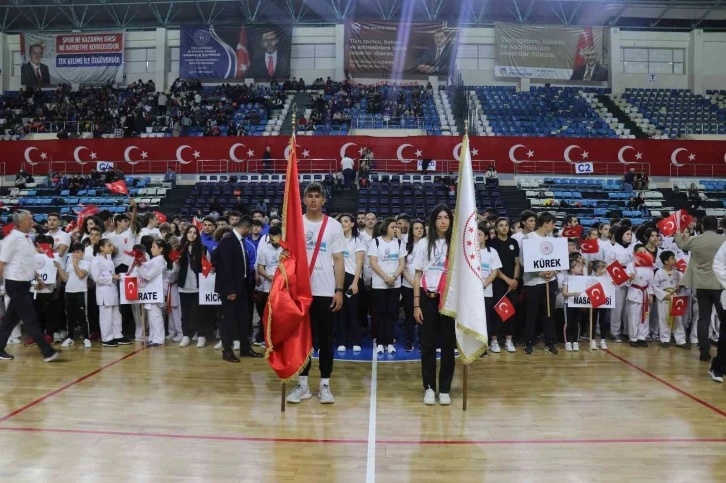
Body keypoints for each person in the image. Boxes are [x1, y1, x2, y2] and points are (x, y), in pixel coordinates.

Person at [286, 183, 345, 405]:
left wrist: (339, 290)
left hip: (325, 290)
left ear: (323, 200)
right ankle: (302, 385)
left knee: (327, 339)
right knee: (302, 340)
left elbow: (339, 260)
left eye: (317, 196)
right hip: (301, 292)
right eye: (309, 196)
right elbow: (288, 259)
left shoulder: (334, 226)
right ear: (303, 199)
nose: (313, 200)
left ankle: (325, 384)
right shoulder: (296, 225)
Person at [0, 211, 61, 362]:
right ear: (20, 223)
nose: (32, 221)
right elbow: (1, 263)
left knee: (10, 320)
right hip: (15, 284)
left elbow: (28, 262)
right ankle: (47, 351)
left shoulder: (27, 238)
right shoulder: (12, 239)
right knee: (30, 317)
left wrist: (38, 278)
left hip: (24, 284)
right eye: (29, 219)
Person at [414, 204, 454, 406]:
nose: (443, 221)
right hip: (427, 299)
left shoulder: (456, 244)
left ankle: (445, 388)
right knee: (428, 345)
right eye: (439, 217)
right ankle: (429, 387)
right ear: (433, 220)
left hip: (449, 300)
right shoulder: (423, 244)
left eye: (447, 217)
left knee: (448, 345)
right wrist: (416, 305)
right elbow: (418, 274)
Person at [675, 216, 726, 362]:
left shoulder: (696, 240)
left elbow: (681, 244)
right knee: (723, 319)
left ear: (702, 226)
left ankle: (704, 351)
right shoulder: (723, 240)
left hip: (702, 285)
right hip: (720, 285)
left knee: (703, 319)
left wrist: (677, 231)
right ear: (717, 226)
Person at [213, 215, 262, 362]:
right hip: (231, 289)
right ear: (245, 228)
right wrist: (230, 290)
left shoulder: (241, 241)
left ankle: (245, 349)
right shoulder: (228, 241)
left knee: (244, 319)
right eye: (250, 228)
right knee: (229, 321)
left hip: (242, 287)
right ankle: (227, 351)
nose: (251, 231)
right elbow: (225, 268)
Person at [520, 211, 559, 355]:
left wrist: (553, 271)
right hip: (533, 282)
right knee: (531, 313)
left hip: (550, 281)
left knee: (549, 313)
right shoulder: (528, 238)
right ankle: (528, 342)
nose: (554, 226)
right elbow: (523, 260)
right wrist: (540, 272)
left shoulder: (553, 239)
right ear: (545, 223)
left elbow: (558, 260)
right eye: (552, 223)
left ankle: (549, 342)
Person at [369, 217, 406, 355]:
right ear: (386, 228)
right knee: (380, 314)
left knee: (392, 314)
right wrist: (385, 277)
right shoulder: (375, 242)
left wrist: (394, 277)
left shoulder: (400, 243)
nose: (396, 228)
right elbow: (373, 262)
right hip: (379, 284)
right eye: (393, 226)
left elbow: (402, 263)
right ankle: (380, 342)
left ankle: (390, 342)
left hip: (394, 284)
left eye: (397, 226)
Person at [176, 225, 212, 348]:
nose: (192, 234)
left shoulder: (203, 249)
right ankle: (186, 335)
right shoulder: (180, 249)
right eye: (190, 232)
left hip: (199, 286)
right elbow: (174, 269)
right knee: (185, 313)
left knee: (199, 312)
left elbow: (208, 266)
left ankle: (201, 336)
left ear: (198, 235)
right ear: (186, 234)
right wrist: (175, 264)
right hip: (183, 286)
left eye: (194, 233)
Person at [488, 217, 519, 353]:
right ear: (496, 228)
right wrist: (507, 280)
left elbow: (517, 263)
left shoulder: (513, 242)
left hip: (513, 283)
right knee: (497, 312)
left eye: (506, 225)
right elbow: (494, 267)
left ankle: (508, 340)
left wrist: (515, 279)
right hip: (498, 282)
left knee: (510, 312)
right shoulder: (493, 243)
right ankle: (494, 341)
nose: (504, 228)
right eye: (501, 225)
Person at [337, 214, 365, 353]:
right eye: (341, 221)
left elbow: (359, 264)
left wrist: (355, 283)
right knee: (341, 310)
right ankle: (342, 341)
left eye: (346, 221)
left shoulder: (358, 241)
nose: (343, 223)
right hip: (338, 278)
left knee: (353, 311)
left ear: (353, 224)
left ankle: (355, 340)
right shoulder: (336, 240)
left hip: (352, 279)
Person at [136, 239, 172, 348]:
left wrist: (139, 266)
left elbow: (148, 275)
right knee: (152, 316)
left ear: (161, 249)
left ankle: (159, 339)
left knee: (156, 316)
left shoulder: (160, 261)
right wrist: (139, 261)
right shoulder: (155, 260)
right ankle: (153, 337)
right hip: (152, 291)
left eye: (153, 247)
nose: (151, 249)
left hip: (157, 291)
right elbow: (146, 265)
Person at [91, 238, 125, 347]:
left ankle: (117, 335)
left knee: (116, 315)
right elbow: (96, 278)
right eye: (109, 245)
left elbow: (111, 274)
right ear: (101, 248)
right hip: (104, 292)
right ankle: (106, 338)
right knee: (106, 317)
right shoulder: (96, 261)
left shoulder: (109, 260)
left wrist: (115, 277)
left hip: (112, 290)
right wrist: (112, 277)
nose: (111, 247)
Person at [57, 243, 91, 349]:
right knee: (70, 316)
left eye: (78, 252)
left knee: (82, 316)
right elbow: (65, 279)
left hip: (80, 291)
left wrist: (76, 264)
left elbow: (81, 275)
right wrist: (59, 268)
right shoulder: (69, 263)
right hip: (69, 291)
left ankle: (86, 338)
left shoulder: (86, 263)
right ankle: (70, 338)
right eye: (74, 252)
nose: (76, 254)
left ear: (83, 253)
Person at [653, 250, 689, 349]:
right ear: (666, 262)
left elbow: (683, 282)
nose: (675, 260)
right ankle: (665, 339)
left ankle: (680, 340)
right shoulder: (659, 272)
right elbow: (655, 286)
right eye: (672, 258)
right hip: (664, 298)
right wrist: (664, 294)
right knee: (663, 318)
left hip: (675, 297)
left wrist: (680, 286)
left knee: (678, 318)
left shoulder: (677, 272)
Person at [255, 225, 283, 345]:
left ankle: (279, 338)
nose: (273, 240)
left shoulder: (286, 249)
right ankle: (264, 337)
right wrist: (268, 277)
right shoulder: (264, 249)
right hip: (268, 286)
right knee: (267, 314)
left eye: (276, 237)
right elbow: (260, 268)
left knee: (280, 314)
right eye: (271, 238)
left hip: (282, 286)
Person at [478, 223, 503, 354]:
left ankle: (483, 346)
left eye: (480, 234)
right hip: (471, 293)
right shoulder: (469, 251)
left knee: (485, 319)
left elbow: (494, 271)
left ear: (486, 237)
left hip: (486, 291)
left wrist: (484, 283)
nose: (477, 237)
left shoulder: (492, 252)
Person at [606, 226, 634, 342]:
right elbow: (608, 266)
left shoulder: (632, 249)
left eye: (631, 234)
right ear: (621, 235)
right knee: (617, 308)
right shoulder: (613, 250)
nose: (630, 236)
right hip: (617, 281)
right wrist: (611, 281)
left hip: (631, 280)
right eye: (627, 234)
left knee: (629, 309)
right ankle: (615, 332)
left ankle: (627, 331)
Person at [401, 219, 425, 352]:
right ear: (412, 231)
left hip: (423, 287)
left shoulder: (428, 245)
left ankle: (422, 341)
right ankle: (409, 341)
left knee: (423, 315)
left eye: (421, 228)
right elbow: (402, 266)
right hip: (408, 285)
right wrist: (411, 281)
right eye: (416, 228)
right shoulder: (405, 246)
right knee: (409, 315)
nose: (419, 230)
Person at [626, 245, 655, 347]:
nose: (643, 254)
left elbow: (651, 282)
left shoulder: (649, 266)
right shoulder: (630, 265)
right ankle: (633, 338)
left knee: (645, 317)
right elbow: (626, 281)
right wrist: (630, 278)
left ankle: (642, 337)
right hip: (635, 292)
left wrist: (651, 294)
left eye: (644, 252)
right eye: (640, 252)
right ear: (635, 254)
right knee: (634, 317)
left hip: (645, 293)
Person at [561, 258, 585, 352]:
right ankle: (567, 342)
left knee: (577, 323)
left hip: (578, 303)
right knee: (568, 323)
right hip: (568, 303)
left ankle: (575, 342)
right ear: (572, 269)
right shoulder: (567, 279)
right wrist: (573, 294)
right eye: (578, 266)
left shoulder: (582, 279)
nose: (581, 268)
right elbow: (564, 293)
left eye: (581, 266)